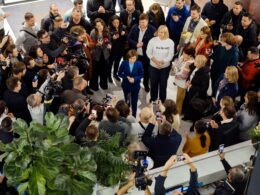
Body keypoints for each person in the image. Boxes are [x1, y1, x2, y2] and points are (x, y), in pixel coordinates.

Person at [128, 13, 156, 92]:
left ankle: (146, 84)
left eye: (143, 22)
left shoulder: (152, 29)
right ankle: (136, 82)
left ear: (147, 22)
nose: (142, 24)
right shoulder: (134, 27)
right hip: (136, 55)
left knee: (146, 71)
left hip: (146, 55)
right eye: (140, 22)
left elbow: (154, 43)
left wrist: (144, 45)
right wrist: (136, 44)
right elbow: (129, 38)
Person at [146, 25, 174, 103]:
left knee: (163, 84)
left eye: (163, 32)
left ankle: (162, 99)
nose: (161, 34)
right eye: (159, 32)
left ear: (166, 33)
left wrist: (162, 62)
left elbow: (170, 55)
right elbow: (148, 53)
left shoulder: (170, 42)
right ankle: (153, 98)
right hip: (153, 66)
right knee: (153, 83)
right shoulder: (152, 40)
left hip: (165, 67)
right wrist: (156, 62)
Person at [182, 55, 210, 121]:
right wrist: (187, 81)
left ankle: (193, 120)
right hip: (190, 90)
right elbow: (190, 76)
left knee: (193, 106)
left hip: (196, 94)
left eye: (196, 60)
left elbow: (203, 89)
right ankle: (187, 116)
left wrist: (192, 86)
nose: (194, 61)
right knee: (187, 103)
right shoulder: (194, 68)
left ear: (199, 63)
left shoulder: (205, 75)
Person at [118, 49, 143, 117]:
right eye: (131, 58)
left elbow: (141, 74)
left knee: (134, 102)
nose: (132, 60)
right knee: (127, 101)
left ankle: (134, 115)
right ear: (128, 57)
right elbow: (119, 73)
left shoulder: (139, 64)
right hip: (126, 85)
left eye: (134, 58)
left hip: (135, 86)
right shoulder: (124, 63)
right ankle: (126, 113)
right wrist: (126, 77)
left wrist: (134, 79)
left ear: (136, 58)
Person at [89, 18, 111, 91]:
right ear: (95, 26)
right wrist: (97, 44)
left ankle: (103, 84)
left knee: (104, 71)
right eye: (98, 26)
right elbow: (91, 44)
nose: (100, 27)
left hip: (105, 55)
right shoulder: (93, 32)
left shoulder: (107, 31)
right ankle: (94, 86)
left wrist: (110, 46)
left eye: (101, 25)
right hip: (96, 55)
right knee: (95, 72)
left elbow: (109, 42)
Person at [172, 45, 195, 114]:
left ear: (190, 55)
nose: (183, 54)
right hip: (179, 81)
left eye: (185, 54)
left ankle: (177, 113)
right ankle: (176, 111)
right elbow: (177, 65)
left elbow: (184, 76)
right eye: (183, 53)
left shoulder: (190, 63)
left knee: (179, 100)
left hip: (183, 83)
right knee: (178, 98)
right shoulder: (183, 58)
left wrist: (175, 71)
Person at [108, 15, 127, 82]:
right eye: (114, 23)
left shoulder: (123, 27)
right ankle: (109, 76)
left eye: (117, 22)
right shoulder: (109, 29)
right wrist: (112, 38)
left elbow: (126, 39)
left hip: (120, 49)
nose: (116, 24)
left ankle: (115, 74)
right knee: (110, 63)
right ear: (112, 23)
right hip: (112, 50)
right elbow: (107, 40)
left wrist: (124, 34)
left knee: (117, 62)